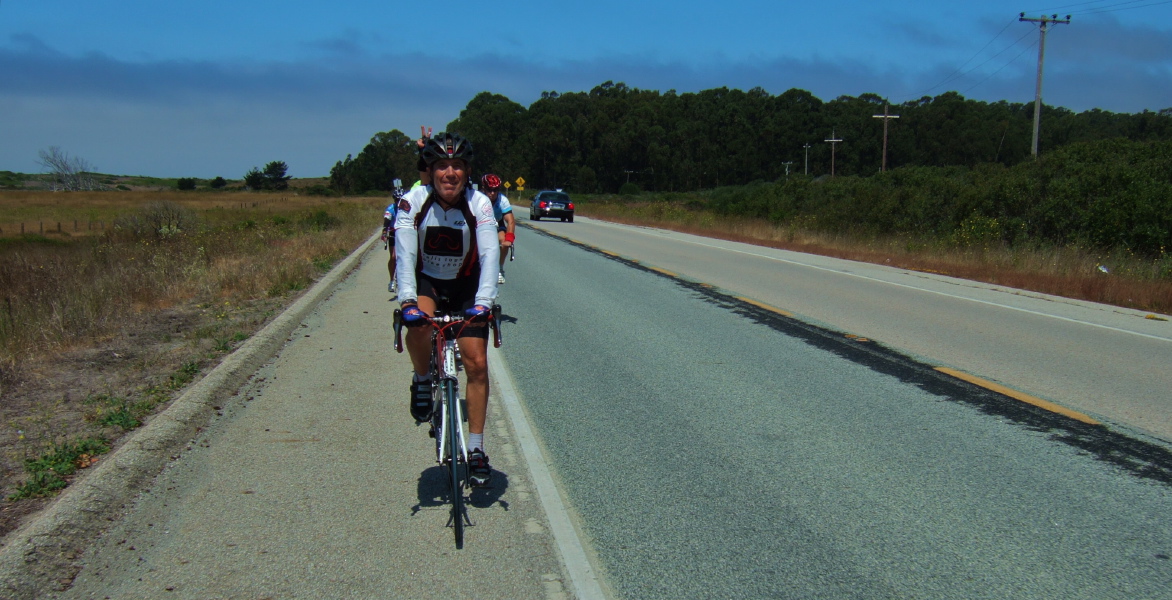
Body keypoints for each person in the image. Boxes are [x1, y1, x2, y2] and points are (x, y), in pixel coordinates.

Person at [395, 132, 500, 487]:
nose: (450, 172)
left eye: (457, 165)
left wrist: (484, 304)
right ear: (431, 169)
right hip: (428, 283)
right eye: (442, 165)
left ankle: (476, 448)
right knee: (419, 326)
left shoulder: (480, 203)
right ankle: (422, 379)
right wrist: (407, 300)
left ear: (467, 171)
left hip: (467, 286)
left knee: (477, 363)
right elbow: (406, 255)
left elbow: (489, 255)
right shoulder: (413, 201)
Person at [480, 174, 515, 284]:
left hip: (497, 223)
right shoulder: (478, 198)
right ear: (483, 188)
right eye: (490, 190)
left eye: (495, 190)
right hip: (480, 224)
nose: (493, 193)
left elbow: (510, 221)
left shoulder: (502, 200)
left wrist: (509, 239)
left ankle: (499, 268)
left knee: (503, 240)